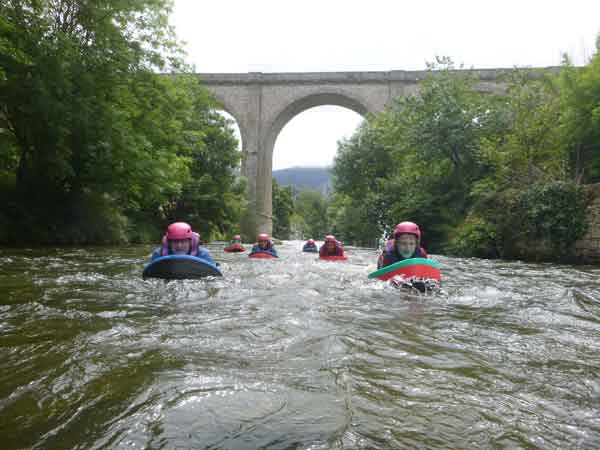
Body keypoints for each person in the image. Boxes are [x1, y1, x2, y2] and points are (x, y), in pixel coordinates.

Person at [151, 222, 215, 264]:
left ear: (190, 242)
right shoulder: (158, 254)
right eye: (175, 242)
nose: (179, 246)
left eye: (183, 241)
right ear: (169, 243)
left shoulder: (203, 254)